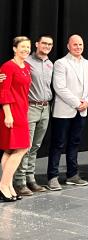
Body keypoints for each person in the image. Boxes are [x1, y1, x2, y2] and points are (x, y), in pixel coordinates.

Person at [47, 35, 88, 190]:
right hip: (64, 111)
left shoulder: (87, 63)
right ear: (68, 46)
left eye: (80, 44)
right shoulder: (61, 63)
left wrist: (87, 102)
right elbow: (59, 87)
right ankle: (52, 177)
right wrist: (77, 103)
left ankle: (72, 175)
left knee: (74, 143)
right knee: (58, 143)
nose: (78, 47)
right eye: (75, 45)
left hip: (82, 111)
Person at [14, 34, 54, 196]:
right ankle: (20, 181)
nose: (47, 46)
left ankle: (30, 178)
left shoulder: (50, 64)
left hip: (45, 108)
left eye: (50, 44)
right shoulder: (26, 61)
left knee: (36, 146)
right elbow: (12, 72)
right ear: (37, 44)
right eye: (44, 43)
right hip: (30, 107)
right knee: (26, 146)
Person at [0, 37, 33, 202]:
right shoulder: (8, 66)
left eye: (28, 47)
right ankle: (3, 185)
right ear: (14, 48)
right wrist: (8, 114)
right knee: (21, 148)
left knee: (10, 150)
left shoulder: (26, 67)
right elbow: (4, 91)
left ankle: (8, 186)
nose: (26, 50)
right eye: (22, 47)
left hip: (22, 110)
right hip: (12, 112)